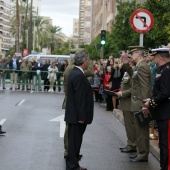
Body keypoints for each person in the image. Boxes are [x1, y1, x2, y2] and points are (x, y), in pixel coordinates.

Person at [65, 50, 94, 170]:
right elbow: (79, 99)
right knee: (74, 142)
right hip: (77, 117)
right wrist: (82, 117)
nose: (88, 62)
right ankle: (72, 166)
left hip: (74, 116)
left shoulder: (75, 72)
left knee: (75, 141)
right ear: (84, 61)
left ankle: (75, 165)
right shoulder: (78, 75)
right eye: (88, 60)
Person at [122, 46, 151, 162]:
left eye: (132, 54)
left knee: (142, 132)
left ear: (138, 54)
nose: (131, 56)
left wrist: (145, 104)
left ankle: (143, 154)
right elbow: (132, 75)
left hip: (140, 104)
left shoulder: (143, 66)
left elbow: (144, 87)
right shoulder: (139, 66)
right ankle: (140, 153)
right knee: (138, 131)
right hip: (137, 103)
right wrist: (126, 64)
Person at [144, 47, 170, 170]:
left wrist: (152, 102)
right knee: (163, 142)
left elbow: (165, 93)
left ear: (160, 57)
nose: (153, 59)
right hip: (162, 112)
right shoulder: (162, 70)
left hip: (166, 113)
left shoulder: (166, 71)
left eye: (154, 56)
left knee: (166, 143)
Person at [116, 56, 137, 153]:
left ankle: (132, 145)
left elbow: (134, 88)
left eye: (130, 58)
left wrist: (123, 93)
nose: (128, 59)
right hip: (125, 102)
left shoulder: (134, 71)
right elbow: (124, 85)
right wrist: (121, 91)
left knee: (130, 126)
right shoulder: (127, 72)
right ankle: (130, 143)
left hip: (129, 102)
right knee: (128, 126)